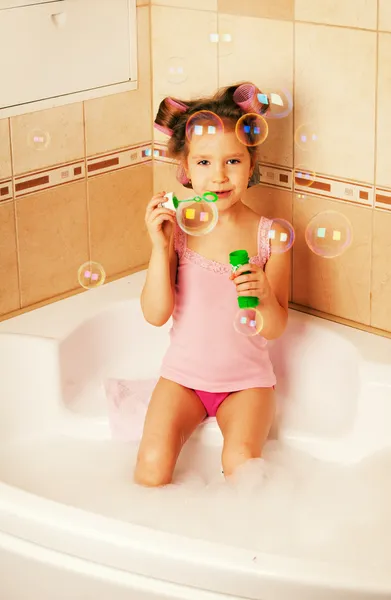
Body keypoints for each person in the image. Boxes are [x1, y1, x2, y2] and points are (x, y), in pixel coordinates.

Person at [134, 83, 290, 487]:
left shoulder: (269, 237)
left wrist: (263, 294)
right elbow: (155, 315)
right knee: (151, 465)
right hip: (182, 379)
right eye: (204, 162)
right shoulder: (181, 230)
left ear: (251, 163)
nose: (219, 176)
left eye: (233, 161)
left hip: (246, 385)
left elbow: (274, 327)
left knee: (241, 463)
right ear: (185, 168)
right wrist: (159, 247)